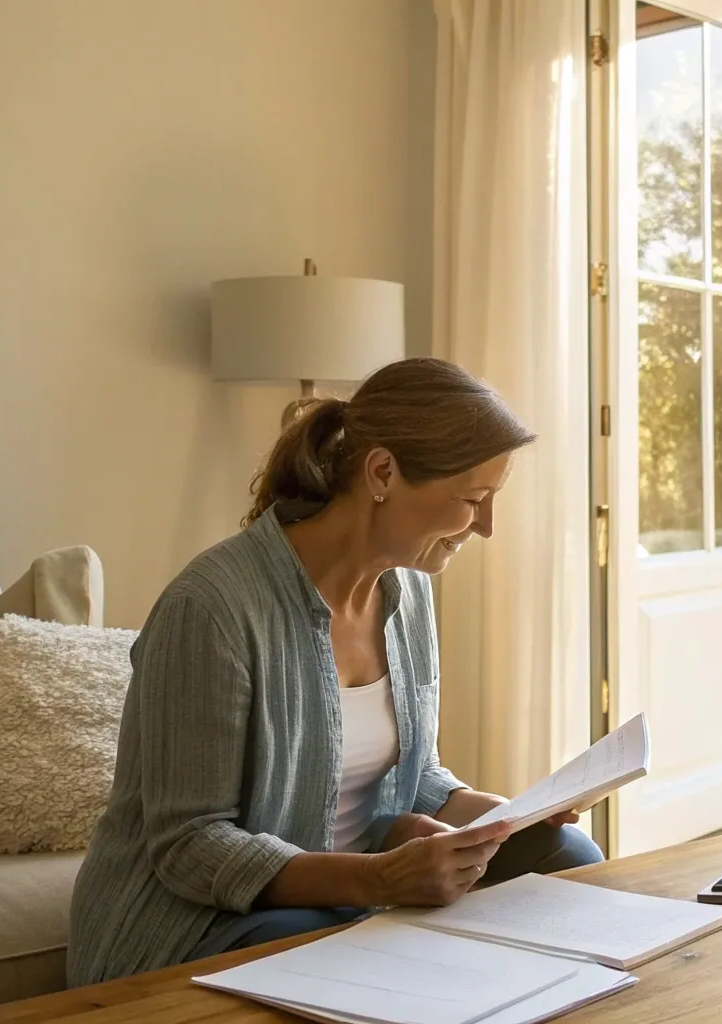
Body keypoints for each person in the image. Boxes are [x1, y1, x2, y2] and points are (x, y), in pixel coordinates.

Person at [67, 357, 602, 986]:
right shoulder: (211, 608)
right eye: (474, 500)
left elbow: (415, 776)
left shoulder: (407, 591)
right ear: (382, 473)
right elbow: (189, 845)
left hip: (349, 895)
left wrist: (503, 818)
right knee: (320, 943)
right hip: (195, 922)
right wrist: (379, 877)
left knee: (565, 856)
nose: (486, 527)